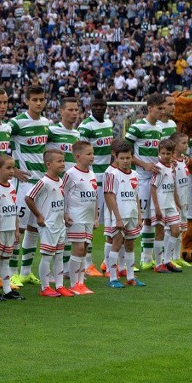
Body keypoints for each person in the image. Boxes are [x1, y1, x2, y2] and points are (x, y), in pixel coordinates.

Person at [10, 85, 52, 288]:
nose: (38, 103)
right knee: (16, 229)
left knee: (34, 229)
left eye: (41, 99)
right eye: (34, 99)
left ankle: (26, 271)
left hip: (40, 183)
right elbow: (1, 144)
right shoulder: (16, 123)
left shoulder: (45, 123)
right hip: (23, 184)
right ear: (27, 100)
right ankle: (10, 274)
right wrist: (13, 169)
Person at [125, 93, 167, 271]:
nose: (162, 112)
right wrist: (144, 165)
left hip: (155, 179)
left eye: (164, 108)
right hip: (140, 179)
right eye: (160, 108)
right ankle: (129, 261)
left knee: (153, 219)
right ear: (150, 108)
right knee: (138, 220)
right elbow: (123, 152)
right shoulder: (137, 127)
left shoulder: (159, 128)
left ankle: (147, 259)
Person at [25, 149, 72, 297]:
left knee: (59, 255)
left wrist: (64, 215)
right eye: (59, 161)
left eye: (63, 160)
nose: (63, 163)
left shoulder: (61, 181)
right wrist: (39, 215)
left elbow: (60, 201)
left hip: (60, 224)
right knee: (47, 256)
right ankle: (45, 287)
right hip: (48, 225)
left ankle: (59, 285)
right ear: (48, 164)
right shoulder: (43, 182)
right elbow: (28, 197)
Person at [77, 91, 114, 277]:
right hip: (92, 179)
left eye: (101, 105)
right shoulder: (86, 126)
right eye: (95, 105)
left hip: (107, 178)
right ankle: (87, 263)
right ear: (90, 106)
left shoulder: (109, 123)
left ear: (106, 106)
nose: (98, 108)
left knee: (109, 220)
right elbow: (82, 151)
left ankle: (108, 262)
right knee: (90, 221)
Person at [47, 97, 81, 273]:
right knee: (52, 227)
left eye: (76, 110)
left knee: (68, 227)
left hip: (72, 188)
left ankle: (65, 268)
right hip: (55, 186)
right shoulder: (51, 131)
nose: (74, 113)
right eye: (70, 110)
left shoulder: (77, 135)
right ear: (61, 111)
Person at [103, 140, 144, 288]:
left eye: (128, 158)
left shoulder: (135, 174)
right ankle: (113, 278)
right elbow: (109, 196)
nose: (125, 161)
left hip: (132, 215)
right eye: (122, 158)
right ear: (116, 158)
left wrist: (139, 216)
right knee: (117, 243)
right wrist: (117, 217)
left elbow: (136, 196)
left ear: (132, 158)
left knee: (130, 245)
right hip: (119, 217)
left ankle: (131, 277)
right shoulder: (112, 175)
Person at [62, 141, 99, 295]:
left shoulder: (92, 173)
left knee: (84, 249)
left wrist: (96, 217)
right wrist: (64, 213)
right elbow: (62, 193)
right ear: (78, 156)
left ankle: (81, 282)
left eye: (92, 153)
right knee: (77, 248)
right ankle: (73, 283)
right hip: (75, 216)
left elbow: (94, 196)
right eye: (89, 154)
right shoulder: (70, 173)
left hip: (89, 218)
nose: (92, 156)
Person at [0, 154, 25, 300]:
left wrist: (17, 228)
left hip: (10, 228)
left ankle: (6, 289)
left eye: (13, 168)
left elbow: (13, 208)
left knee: (6, 259)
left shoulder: (11, 186)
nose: (12, 171)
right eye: (8, 168)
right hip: (0, 229)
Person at [151, 139, 183, 274]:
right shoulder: (158, 168)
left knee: (176, 230)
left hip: (170, 205)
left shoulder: (172, 168)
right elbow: (152, 188)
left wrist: (176, 202)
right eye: (163, 153)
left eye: (168, 153)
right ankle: (159, 264)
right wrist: (157, 208)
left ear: (172, 153)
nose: (165, 156)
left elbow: (173, 186)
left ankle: (167, 260)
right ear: (159, 153)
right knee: (159, 233)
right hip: (160, 205)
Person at [170, 132, 192, 268]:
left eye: (187, 143)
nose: (186, 145)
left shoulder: (184, 160)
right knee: (173, 230)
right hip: (175, 201)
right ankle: (169, 257)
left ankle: (177, 257)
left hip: (184, 199)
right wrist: (175, 201)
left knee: (181, 230)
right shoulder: (170, 162)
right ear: (175, 145)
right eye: (183, 143)